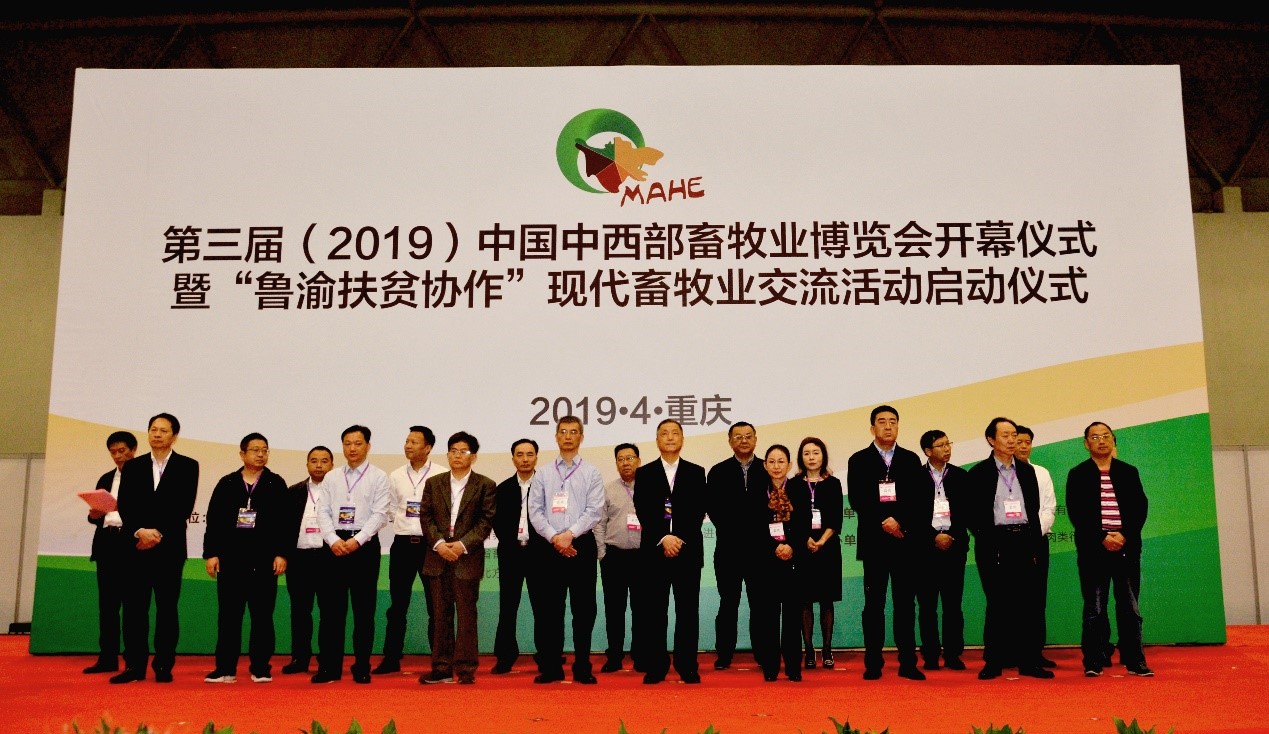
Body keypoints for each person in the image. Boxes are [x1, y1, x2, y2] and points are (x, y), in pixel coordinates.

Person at [111, 413, 199, 684]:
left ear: (174, 436)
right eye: (153, 429)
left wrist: (158, 533)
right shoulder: (133, 466)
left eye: (163, 430)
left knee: (166, 610)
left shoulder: (188, 466)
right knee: (134, 610)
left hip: (169, 549)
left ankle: (163, 665)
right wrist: (140, 531)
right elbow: (125, 505)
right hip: (136, 547)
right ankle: (134, 666)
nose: (157, 434)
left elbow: (183, 506)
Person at [845, 405, 931, 681]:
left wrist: (899, 522)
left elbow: (918, 498)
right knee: (874, 605)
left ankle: (908, 663)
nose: (888, 426)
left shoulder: (910, 459)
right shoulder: (859, 460)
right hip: (875, 542)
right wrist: (884, 521)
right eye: (882, 422)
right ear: (872, 428)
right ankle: (873, 662)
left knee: (905, 605)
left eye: (893, 421)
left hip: (905, 542)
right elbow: (858, 499)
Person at [965, 417, 1053, 680]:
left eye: (1014, 434)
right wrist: (988, 539)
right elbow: (972, 514)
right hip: (995, 542)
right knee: (998, 603)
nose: (1012, 440)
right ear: (991, 440)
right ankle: (993, 661)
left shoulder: (1027, 471)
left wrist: (1034, 544)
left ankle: (1029, 661)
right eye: (1005, 435)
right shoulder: (979, 473)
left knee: (1028, 604)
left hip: (1024, 539)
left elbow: (1034, 511)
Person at [202, 433, 293, 684]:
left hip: (264, 561)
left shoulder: (275, 483)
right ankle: (225, 668)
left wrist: (282, 553)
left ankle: (261, 667)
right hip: (231, 561)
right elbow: (214, 521)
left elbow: (286, 522)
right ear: (242, 454)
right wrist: (211, 553)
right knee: (228, 617)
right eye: (255, 450)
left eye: (264, 450)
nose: (260, 454)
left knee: (262, 617)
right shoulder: (227, 483)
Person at [1066, 422, 1152, 677]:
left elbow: (1140, 508)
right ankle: (1094, 660)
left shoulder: (1128, 471)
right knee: (1095, 608)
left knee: (1130, 607)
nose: (1101, 441)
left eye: (1106, 436)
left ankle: (1134, 659)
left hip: (1126, 547)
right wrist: (1102, 537)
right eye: (1094, 437)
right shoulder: (1078, 474)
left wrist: (1124, 535)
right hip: (1094, 549)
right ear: (1086, 444)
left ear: (1114, 440)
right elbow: (1077, 512)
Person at [526, 416, 604, 684]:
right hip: (549, 547)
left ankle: (583, 666)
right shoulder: (544, 473)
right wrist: (555, 537)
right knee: (550, 610)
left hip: (581, 545)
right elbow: (535, 511)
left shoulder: (591, 472)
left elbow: (594, 510)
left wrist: (569, 535)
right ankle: (551, 667)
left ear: (581, 437)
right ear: (556, 437)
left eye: (573, 432)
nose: (568, 436)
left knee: (584, 610)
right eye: (563, 432)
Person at [312, 425, 392, 684]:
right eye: (347, 443)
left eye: (358, 443)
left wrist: (357, 540)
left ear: (368, 446)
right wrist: (333, 539)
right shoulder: (332, 477)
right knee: (331, 612)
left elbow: (380, 514)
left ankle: (362, 666)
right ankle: (329, 667)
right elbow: (322, 511)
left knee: (363, 612)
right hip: (334, 546)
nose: (352, 448)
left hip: (364, 548)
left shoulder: (379, 477)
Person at [418, 431, 496, 685]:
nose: (457, 456)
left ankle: (465, 669)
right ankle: (441, 668)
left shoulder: (485, 485)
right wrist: (439, 544)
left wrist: (461, 545)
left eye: (463, 451)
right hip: (437, 557)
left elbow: (485, 521)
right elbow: (426, 517)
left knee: (466, 616)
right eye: (453, 451)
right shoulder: (434, 483)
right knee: (440, 616)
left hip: (467, 558)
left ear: (473, 456)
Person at [633, 418, 708, 685]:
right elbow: (643, 509)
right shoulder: (645, 473)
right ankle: (657, 665)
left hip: (687, 552)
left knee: (688, 612)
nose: (669, 437)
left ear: (682, 439)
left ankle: (687, 665)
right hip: (655, 553)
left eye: (675, 433)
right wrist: (663, 538)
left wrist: (678, 539)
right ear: (657, 440)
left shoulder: (696, 472)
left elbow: (698, 510)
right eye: (664, 433)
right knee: (655, 612)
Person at [374, 426, 440, 675]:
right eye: (407, 441)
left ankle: (440, 659)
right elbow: (391, 508)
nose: (408, 446)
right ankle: (391, 658)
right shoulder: (396, 475)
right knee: (397, 605)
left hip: (431, 546)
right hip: (402, 545)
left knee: (436, 606)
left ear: (428, 447)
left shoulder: (440, 474)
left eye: (414, 442)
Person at [705, 421, 765, 671]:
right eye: (738, 436)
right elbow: (713, 508)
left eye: (748, 436)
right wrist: (736, 530)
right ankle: (724, 653)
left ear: (755, 439)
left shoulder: (766, 469)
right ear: (730, 441)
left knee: (760, 604)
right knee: (728, 603)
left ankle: (763, 652)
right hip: (728, 549)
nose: (743, 440)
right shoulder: (718, 471)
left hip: (761, 550)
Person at [748, 444, 811, 682]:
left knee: (793, 617)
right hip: (765, 562)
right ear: (765, 465)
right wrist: (773, 547)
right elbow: (752, 528)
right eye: (772, 462)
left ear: (789, 464)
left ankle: (793, 667)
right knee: (768, 617)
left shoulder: (800, 488)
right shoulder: (756, 490)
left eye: (781, 461)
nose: (776, 466)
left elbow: (805, 523)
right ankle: (770, 666)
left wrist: (791, 546)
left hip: (794, 560)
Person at [915, 429, 970, 671]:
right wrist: (933, 537)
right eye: (941, 445)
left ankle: (953, 653)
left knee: (952, 605)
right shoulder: (915, 478)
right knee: (927, 606)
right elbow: (913, 515)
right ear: (928, 451)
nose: (947, 449)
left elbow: (967, 512)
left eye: (948, 444)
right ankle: (930, 654)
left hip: (954, 547)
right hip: (925, 550)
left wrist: (951, 535)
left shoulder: (960, 476)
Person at [84, 430, 137, 674]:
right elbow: (96, 516)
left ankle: (132, 658)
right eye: (113, 452)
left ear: (133, 450)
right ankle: (107, 657)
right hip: (107, 544)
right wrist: (94, 514)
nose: (118, 456)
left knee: (133, 606)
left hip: (131, 545)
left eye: (122, 451)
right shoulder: (106, 478)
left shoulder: (143, 477)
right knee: (107, 606)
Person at [281, 445, 334, 675]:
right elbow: (283, 527)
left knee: (329, 612)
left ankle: (327, 658)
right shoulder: (294, 491)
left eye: (324, 461)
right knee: (300, 611)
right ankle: (300, 658)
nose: (319, 465)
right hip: (299, 558)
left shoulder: (339, 491)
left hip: (328, 559)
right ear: (307, 465)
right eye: (314, 461)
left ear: (332, 465)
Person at [490, 438, 539, 674]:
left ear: (536, 457)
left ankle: (547, 653)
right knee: (508, 606)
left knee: (543, 607)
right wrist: (512, 541)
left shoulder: (545, 485)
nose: (525, 459)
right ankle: (505, 656)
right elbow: (497, 522)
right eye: (520, 454)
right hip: (511, 553)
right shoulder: (502, 489)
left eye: (530, 454)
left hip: (539, 554)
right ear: (513, 459)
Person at [595, 442, 643, 673]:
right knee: (614, 610)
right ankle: (614, 655)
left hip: (643, 557)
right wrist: (602, 554)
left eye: (630, 458)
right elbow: (599, 523)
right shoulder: (608, 489)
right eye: (621, 459)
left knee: (642, 609)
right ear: (616, 463)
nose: (626, 463)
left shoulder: (650, 487)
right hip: (614, 557)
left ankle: (640, 654)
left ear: (639, 461)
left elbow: (665, 516)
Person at [796, 437, 843, 670]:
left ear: (823, 456)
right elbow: (792, 518)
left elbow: (836, 518)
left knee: (826, 600)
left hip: (828, 548)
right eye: (806, 453)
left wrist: (822, 541)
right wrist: (805, 539)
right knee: (804, 600)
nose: (811, 457)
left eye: (816, 452)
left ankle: (826, 648)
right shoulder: (794, 485)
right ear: (801, 458)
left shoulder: (833, 484)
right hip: (802, 548)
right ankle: (808, 649)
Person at [1015, 424, 1058, 668]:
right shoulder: (1002, 474)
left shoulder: (1041, 472)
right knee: (1011, 598)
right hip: (1009, 542)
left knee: (1036, 598)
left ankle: (1035, 651)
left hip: (1037, 541)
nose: (1023, 446)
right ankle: (1010, 650)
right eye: (1018, 441)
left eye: (1027, 442)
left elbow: (1049, 508)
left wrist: (1032, 536)